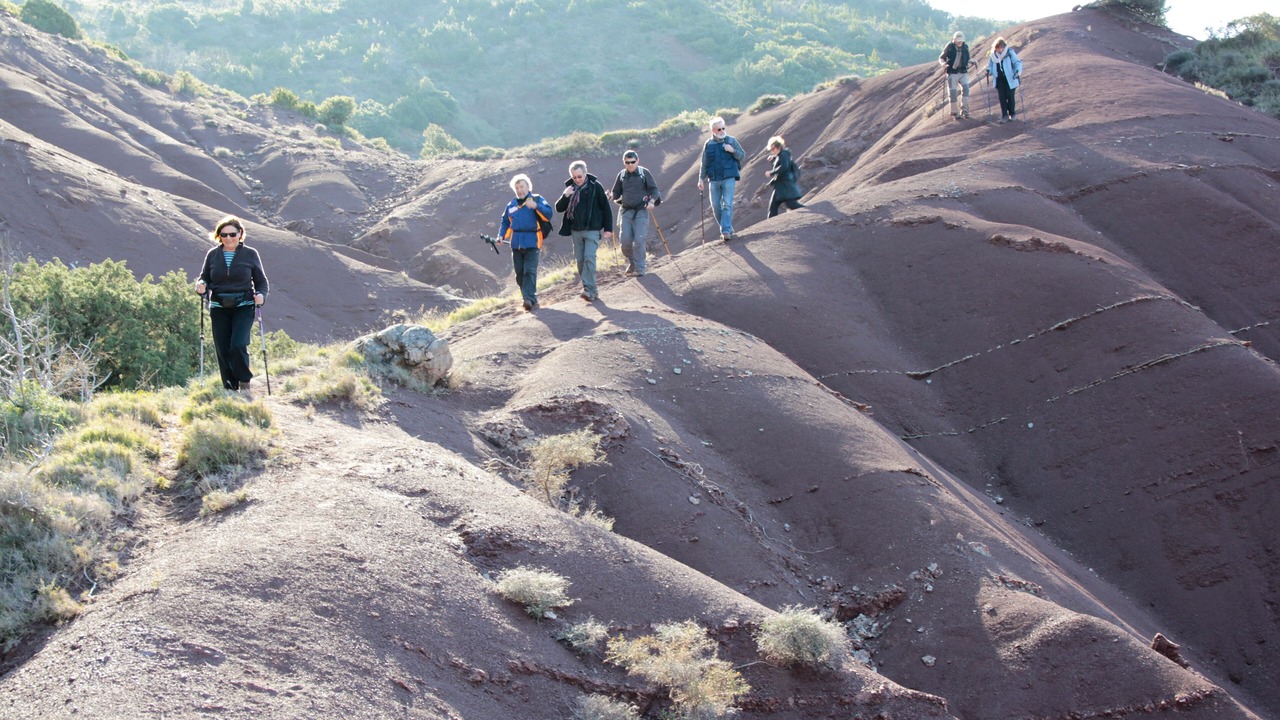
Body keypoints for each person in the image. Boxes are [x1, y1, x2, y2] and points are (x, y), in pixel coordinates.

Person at [194, 216, 268, 394]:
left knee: (238, 344)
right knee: (222, 348)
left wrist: (261, 295)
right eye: (224, 235)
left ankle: (244, 381)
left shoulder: (250, 254)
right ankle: (229, 387)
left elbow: (261, 281)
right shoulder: (212, 255)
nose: (228, 238)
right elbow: (205, 277)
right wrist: (201, 285)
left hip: (244, 305)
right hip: (219, 307)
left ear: (240, 234)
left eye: (232, 234)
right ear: (218, 236)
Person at [555, 160, 613, 302]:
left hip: (592, 229)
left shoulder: (595, 186)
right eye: (574, 177)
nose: (577, 179)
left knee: (589, 258)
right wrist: (565, 195)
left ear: (585, 173)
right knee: (580, 261)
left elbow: (605, 207)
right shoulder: (570, 189)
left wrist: (608, 228)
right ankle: (592, 290)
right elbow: (559, 208)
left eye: (579, 176)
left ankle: (587, 289)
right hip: (576, 231)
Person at [498, 174, 554, 311]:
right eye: (517, 188)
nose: (520, 190)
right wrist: (501, 236)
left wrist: (536, 206)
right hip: (516, 244)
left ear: (528, 187)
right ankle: (529, 297)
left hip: (533, 242)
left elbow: (549, 214)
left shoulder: (537, 199)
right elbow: (505, 222)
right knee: (519, 274)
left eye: (522, 187)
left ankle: (528, 299)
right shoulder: (511, 205)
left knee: (529, 271)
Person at [610, 150, 662, 277]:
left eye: (632, 162)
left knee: (639, 239)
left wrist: (652, 201)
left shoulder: (644, 173)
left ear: (637, 161)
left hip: (641, 211)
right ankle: (632, 262)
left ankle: (640, 268)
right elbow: (616, 192)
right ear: (624, 162)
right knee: (625, 241)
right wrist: (610, 196)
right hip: (626, 211)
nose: (630, 165)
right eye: (627, 162)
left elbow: (654, 190)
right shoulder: (622, 175)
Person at [697, 117, 745, 241]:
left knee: (727, 204)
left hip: (729, 178)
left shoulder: (731, 140)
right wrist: (701, 179)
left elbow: (742, 155)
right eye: (719, 129)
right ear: (713, 131)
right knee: (715, 206)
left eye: (723, 128)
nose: (722, 131)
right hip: (713, 179)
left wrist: (732, 150)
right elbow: (704, 163)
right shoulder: (708, 144)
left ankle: (725, 231)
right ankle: (728, 229)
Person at [765, 136, 805, 218]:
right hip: (780, 186)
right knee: (773, 208)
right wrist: (773, 161)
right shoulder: (779, 156)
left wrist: (771, 172)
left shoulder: (784, 154)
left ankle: (815, 209)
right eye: (770, 150)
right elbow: (779, 168)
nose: (772, 151)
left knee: (791, 204)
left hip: (785, 186)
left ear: (778, 147)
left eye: (773, 149)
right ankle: (771, 224)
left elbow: (784, 167)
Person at [986, 37, 1023, 123]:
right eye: (998, 48)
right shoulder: (993, 56)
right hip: (999, 79)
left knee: (1010, 96)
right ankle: (1004, 115)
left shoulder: (1009, 53)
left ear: (1004, 47)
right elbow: (990, 66)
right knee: (1002, 97)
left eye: (1001, 47)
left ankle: (1012, 114)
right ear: (995, 48)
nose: (1000, 49)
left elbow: (1017, 62)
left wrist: (1018, 71)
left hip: (1010, 78)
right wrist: (988, 71)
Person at [939, 31, 972, 119]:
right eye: (958, 40)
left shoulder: (965, 47)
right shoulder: (950, 46)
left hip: (963, 72)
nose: (960, 42)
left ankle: (965, 110)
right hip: (952, 73)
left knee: (966, 89)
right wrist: (944, 64)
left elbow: (968, 58)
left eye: (961, 40)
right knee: (953, 93)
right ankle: (954, 112)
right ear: (954, 39)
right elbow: (941, 58)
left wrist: (972, 61)